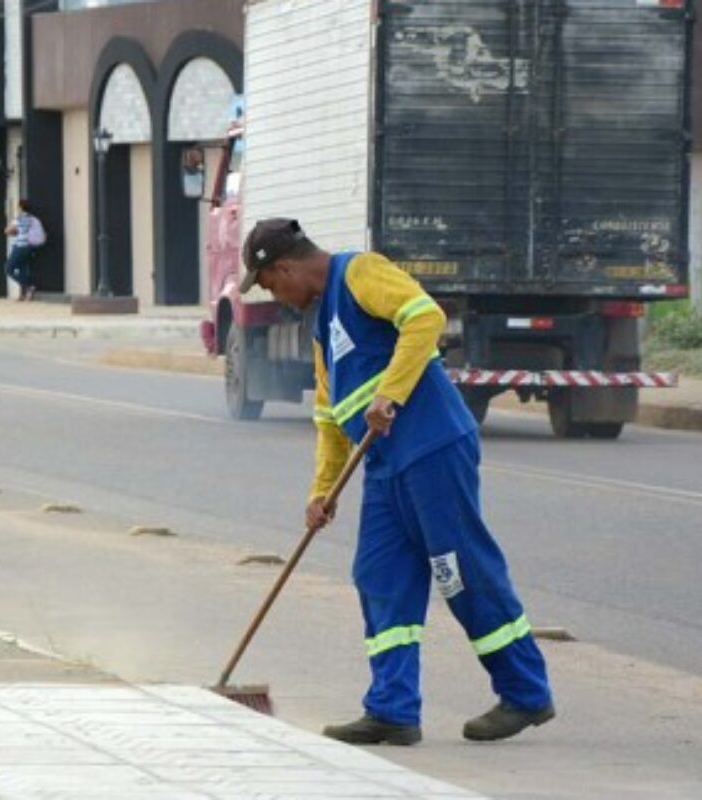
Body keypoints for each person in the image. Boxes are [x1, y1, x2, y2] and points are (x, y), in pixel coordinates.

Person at [238, 217, 555, 746]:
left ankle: (525, 692)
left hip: (431, 445)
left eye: (270, 284)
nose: (275, 296)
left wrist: (391, 392)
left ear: (285, 266)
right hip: (385, 464)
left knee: (460, 572)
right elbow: (329, 414)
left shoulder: (361, 273)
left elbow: (423, 318)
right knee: (379, 575)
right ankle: (392, 709)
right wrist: (322, 490)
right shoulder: (321, 328)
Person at [3, 199, 45, 302]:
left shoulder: (20, 218)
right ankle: (25, 294)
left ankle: (30, 286)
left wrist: (16, 233)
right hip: (30, 248)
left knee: (8, 268)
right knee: (22, 269)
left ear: (21, 207)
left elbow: (7, 230)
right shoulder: (35, 219)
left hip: (20, 247)